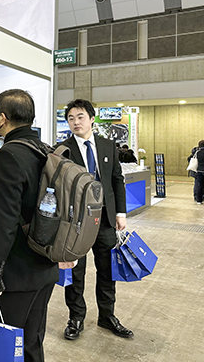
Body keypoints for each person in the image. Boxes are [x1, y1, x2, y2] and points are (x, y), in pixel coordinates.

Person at [0, 89, 70, 362]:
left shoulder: (8, 155)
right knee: (31, 343)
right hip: (44, 267)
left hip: (13, 275)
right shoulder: (47, 152)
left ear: (2, 118)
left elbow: (3, 222)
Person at [59, 99, 133, 340]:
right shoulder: (62, 150)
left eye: (80, 117)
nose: (75, 122)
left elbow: (116, 180)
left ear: (92, 119)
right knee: (75, 272)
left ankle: (107, 315)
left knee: (107, 270)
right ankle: (76, 317)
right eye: (71, 118)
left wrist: (120, 213)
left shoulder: (107, 145)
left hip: (105, 220)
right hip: (76, 224)